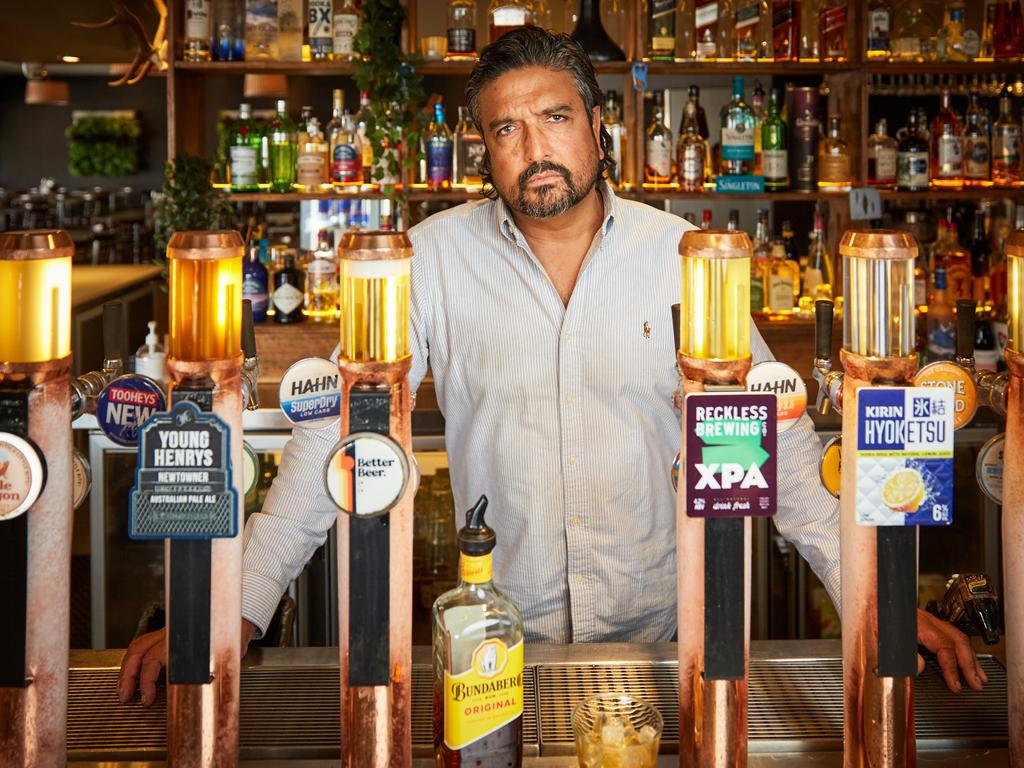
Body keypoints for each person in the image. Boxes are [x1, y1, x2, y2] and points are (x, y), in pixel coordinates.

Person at [119, 27, 986, 706]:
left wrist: (878, 601)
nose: (533, 146)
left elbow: (774, 451)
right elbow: (338, 441)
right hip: (496, 644)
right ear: (483, 149)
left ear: (599, 127)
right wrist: (232, 605)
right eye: (506, 128)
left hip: (666, 645)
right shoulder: (425, 259)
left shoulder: (684, 257)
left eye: (555, 118)